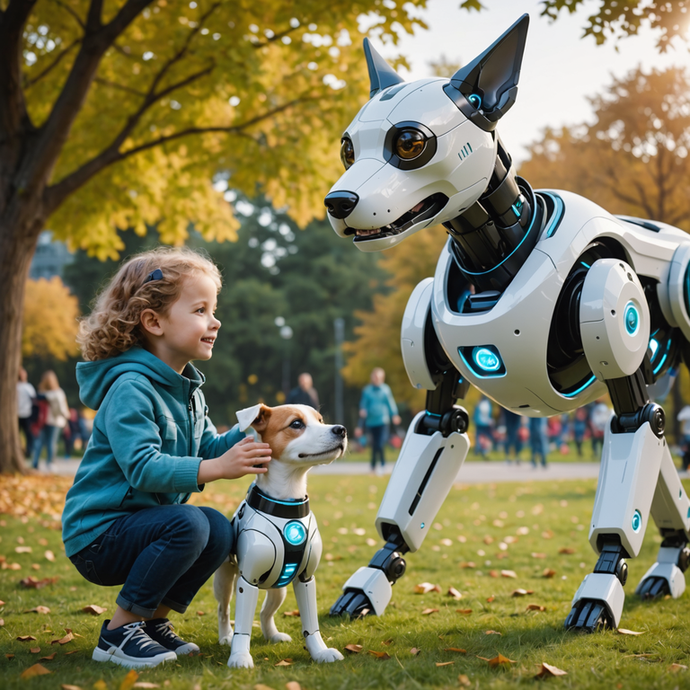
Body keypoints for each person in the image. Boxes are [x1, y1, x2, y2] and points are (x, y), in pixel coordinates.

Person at [61, 247, 273, 670]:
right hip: (98, 535)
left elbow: (208, 447)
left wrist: (255, 426)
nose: (215, 321)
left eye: (214, 309)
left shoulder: (187, 388)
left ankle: (152, 623)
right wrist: (217, 469)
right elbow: (143, 468)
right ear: (153, 321)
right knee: (191, 523)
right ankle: (119, 633)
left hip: (143, 528)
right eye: (200, 309)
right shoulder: (131, 388)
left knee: (217, 528)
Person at [358, 367, 401, 473]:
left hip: (382, 420)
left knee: (380, 443)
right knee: (373, 445)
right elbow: (363, 404)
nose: (376, 379)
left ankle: (382, 465)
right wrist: (362, 411)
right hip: (371, 422)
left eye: (378, 377)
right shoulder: (367, 390)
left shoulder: (385, 389)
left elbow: (390, 403)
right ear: (372, 377)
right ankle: (373, 466)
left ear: (382, 378)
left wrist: (394, 414)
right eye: (375, 377)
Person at [31, 370, 70, 470]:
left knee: (44, 442)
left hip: (50, 421)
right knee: (49, 442)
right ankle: (48, 463)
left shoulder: (47, 393)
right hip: (51, 421)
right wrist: (66, 417)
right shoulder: (57, 392)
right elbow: (63, 408)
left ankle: (40, 462)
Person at [17, 367, 36, 458]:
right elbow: (34, 400)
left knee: (21, 435)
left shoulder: (14, 387)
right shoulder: (28, 387)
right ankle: (27, 452)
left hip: (21, 414)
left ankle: (26, 451)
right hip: (26, 414)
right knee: (28, 435)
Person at [677, 405, 690, 471]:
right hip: (687, 434)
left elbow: (680, 418)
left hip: (686, 434)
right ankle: (686, 466)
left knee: (685, 451)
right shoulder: (687, 411)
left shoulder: (686, 411)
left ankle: (686, 466)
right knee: (685, 451)